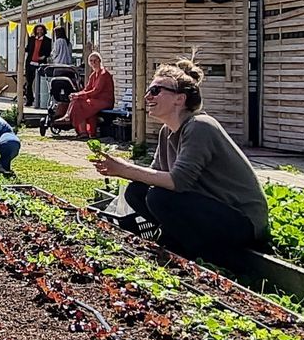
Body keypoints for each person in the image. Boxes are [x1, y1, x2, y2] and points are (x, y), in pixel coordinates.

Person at [91, 57, 269, 268]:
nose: (148, 96)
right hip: (208, 209)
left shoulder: (200, 126)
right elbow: (155, 175)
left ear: (179, 99)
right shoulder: (167, 132)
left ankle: (203, 256)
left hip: (242, 220)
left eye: (156, 91)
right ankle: (176, 242)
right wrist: (123, 171)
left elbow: (178, 182)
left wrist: (124, 168)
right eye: (149, 90)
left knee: (159, 197)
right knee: (136, 192)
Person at [46, 52, 113, 138]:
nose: (93, 63)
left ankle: (69, 118)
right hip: (94, 100)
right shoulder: (93, 75)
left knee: (79, 103)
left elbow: (96, 91)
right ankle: (82, 131)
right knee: (76, 101)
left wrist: (79, 96)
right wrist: (76, 94)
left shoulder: (103, 74)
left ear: (99, 61)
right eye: (91, 61)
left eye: (95, 61)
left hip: (104, 101)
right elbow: (86, 89)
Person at [23, 24, 52, 106]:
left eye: (41, 30)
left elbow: (49, 51)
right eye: (38, 30)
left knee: (41, 82)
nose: (39, 32)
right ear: (35, 31)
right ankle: (29, 100)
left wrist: (44, 56)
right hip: (30, 63)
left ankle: (40, 100)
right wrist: (21, 48)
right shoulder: (31, 39)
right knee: (29, 82)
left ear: (44, 31)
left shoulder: (48, 40)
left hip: (40, 63)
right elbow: (28, 49)